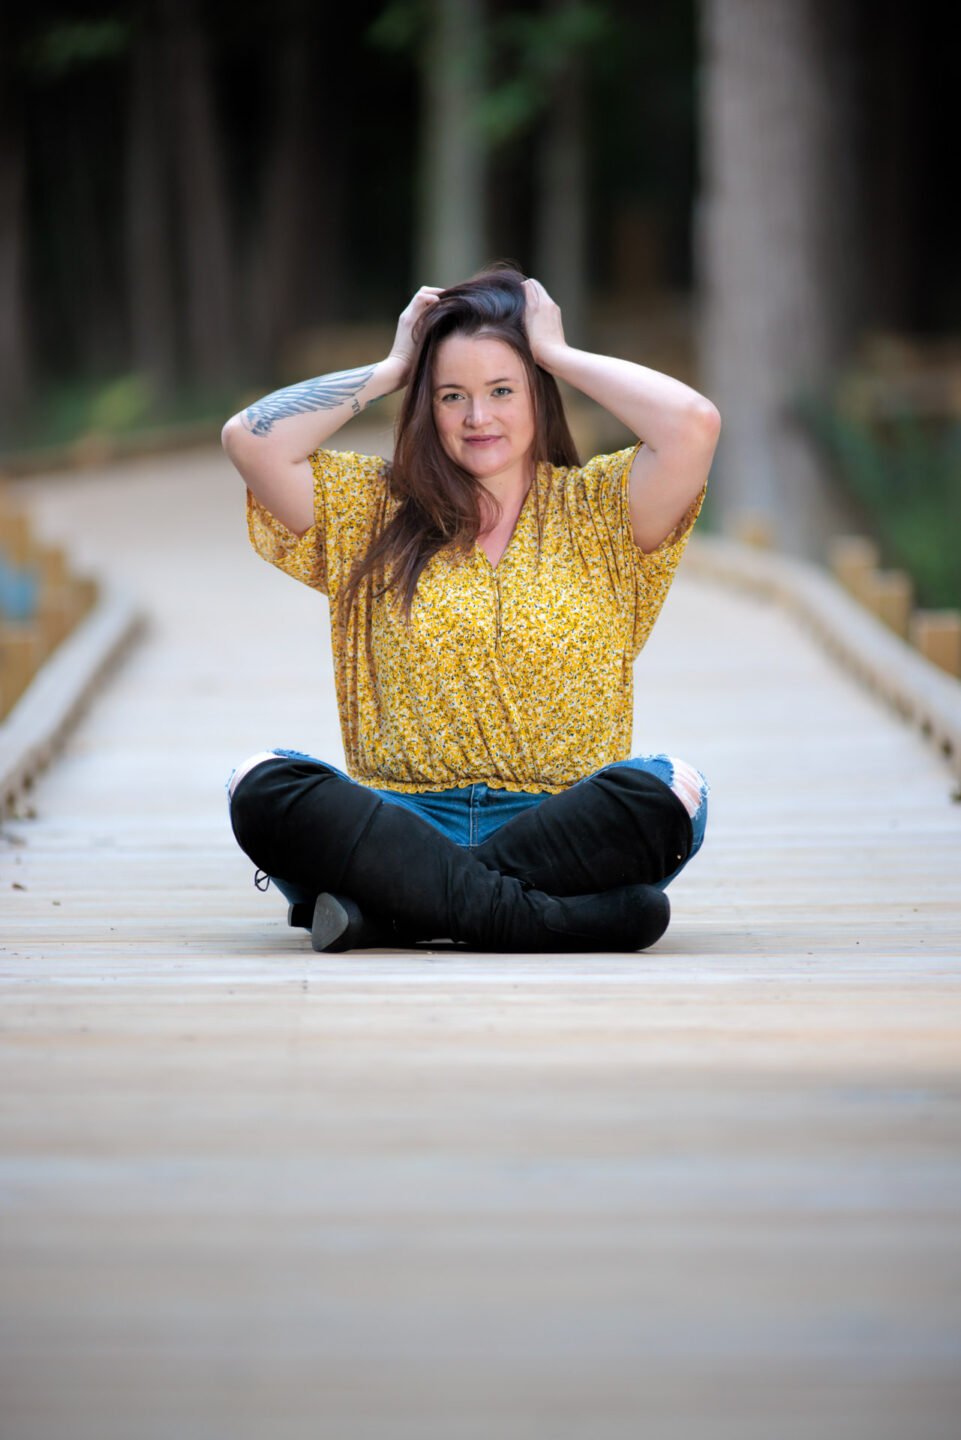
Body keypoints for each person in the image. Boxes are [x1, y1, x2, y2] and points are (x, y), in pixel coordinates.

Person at [221, 265, 720, 953]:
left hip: (558, 822)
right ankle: (554, 919)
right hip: (400, 819)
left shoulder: (600, 511)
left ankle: (393, 912)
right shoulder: (371, 510)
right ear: (425, 406)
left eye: (501, 390)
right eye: (451, 395)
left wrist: (558, 354)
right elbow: (251, 438)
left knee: (667, 790)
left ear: (538, 397)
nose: (477, 417)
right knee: (262, 784)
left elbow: (693, 424)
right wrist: (396, 365)